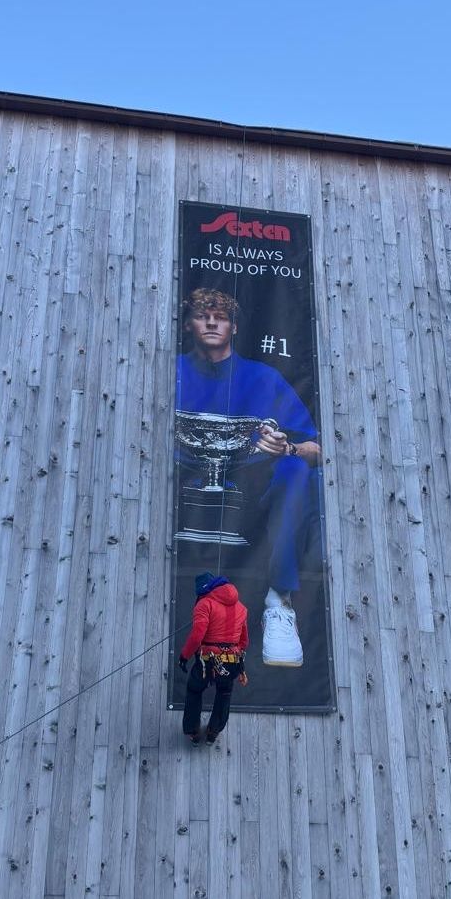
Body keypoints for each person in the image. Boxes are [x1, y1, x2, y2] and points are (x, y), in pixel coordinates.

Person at [176, 288, 322, 666]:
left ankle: (280, 602)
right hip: (182, 478)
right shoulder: (169, 372)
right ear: (188, 325)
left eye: (221, 317)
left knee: (296, 470)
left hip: (252, 483)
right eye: (202, 316)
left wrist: (287, 447)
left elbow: (317, 449)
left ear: (235, 327)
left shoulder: (264, 378)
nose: (212, 323)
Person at [178, 572, 249, 744]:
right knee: (224, 692)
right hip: (231, 662)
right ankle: (213, 732)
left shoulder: (204, 604)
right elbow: (244, 641)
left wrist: (184, 656)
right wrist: (234, 656)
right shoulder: (241, 607)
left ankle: (193, 732)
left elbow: (197, 636)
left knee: (194, 690)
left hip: (207, 662)